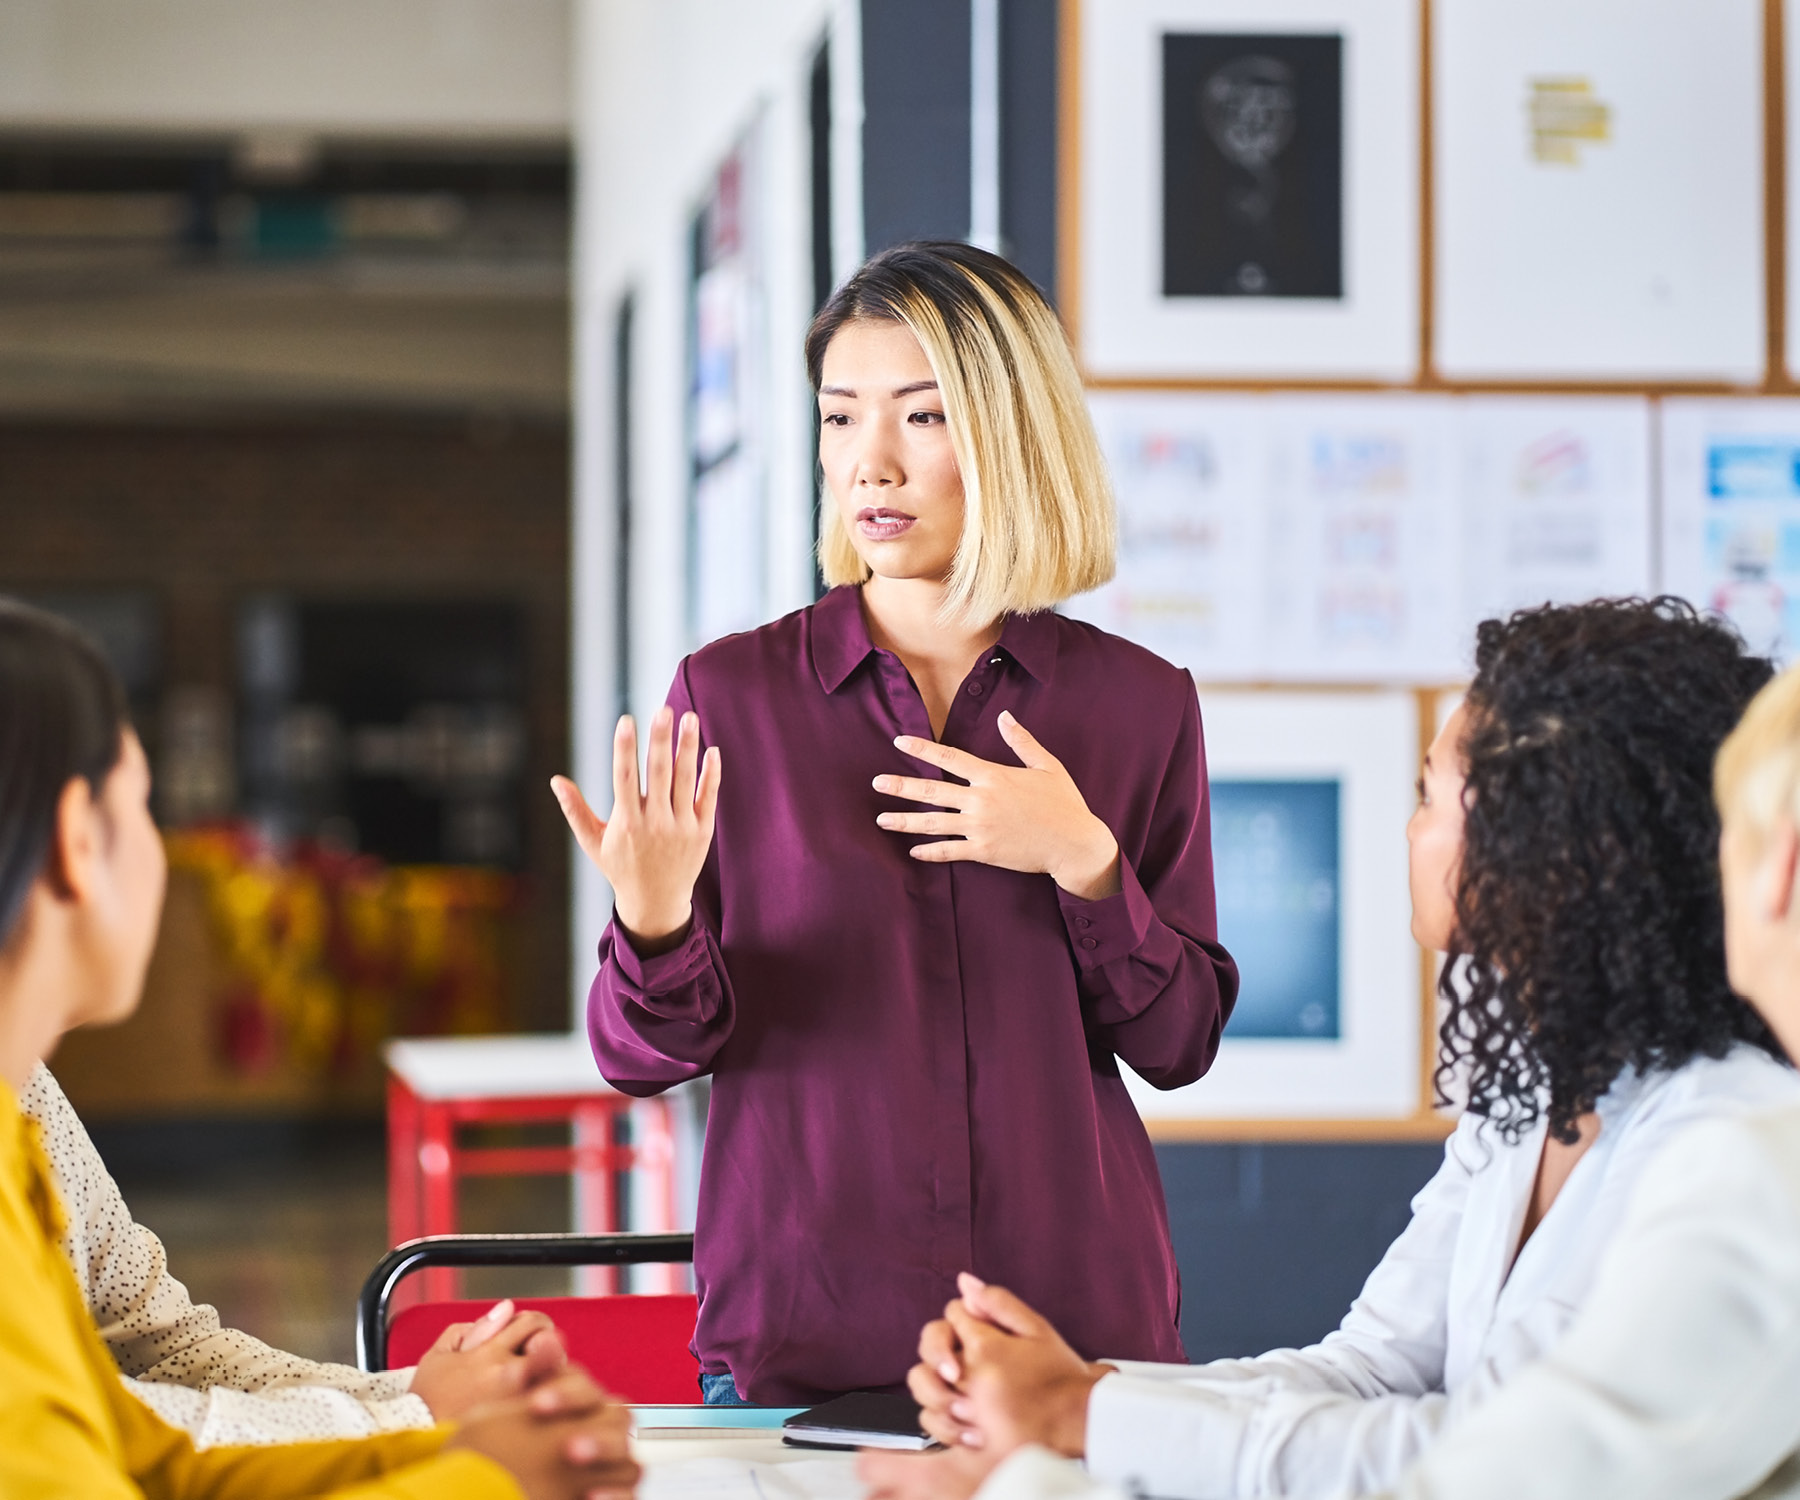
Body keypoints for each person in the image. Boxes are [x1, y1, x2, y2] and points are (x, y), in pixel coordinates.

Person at [864, 598, 1800, 1500]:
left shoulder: (1739, 1150)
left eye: (1429, 792)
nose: (1410, 826)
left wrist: (1084, 1414)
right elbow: (1369, 1372)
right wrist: (1081, 1394)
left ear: (1541, 838)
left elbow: (1469, 1463)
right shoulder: (1531, 1098)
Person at [552, 241, 1239, 1404]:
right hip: (803, 1332)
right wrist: (655, 923)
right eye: (839, 419)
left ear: (1012, 435)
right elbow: (638, 1057)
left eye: (922, 418)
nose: (869, 463)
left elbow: (1178, 1045)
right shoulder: (732, 699)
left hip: (1071, 1334)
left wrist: (1083, 861)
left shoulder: (1136, 703)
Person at [0, 597, 638, 1500]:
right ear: (74, 842)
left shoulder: (21, 1108)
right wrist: (465, 1465)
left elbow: (145, 1411)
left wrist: (417, 1406)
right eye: (144, 808)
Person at [24, 1060, 568, 1446]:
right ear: (73, 891)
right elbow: (63, 1425)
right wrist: (413, 1414)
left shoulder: (26, 1083)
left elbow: (163, 1351)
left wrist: (415, 1390)